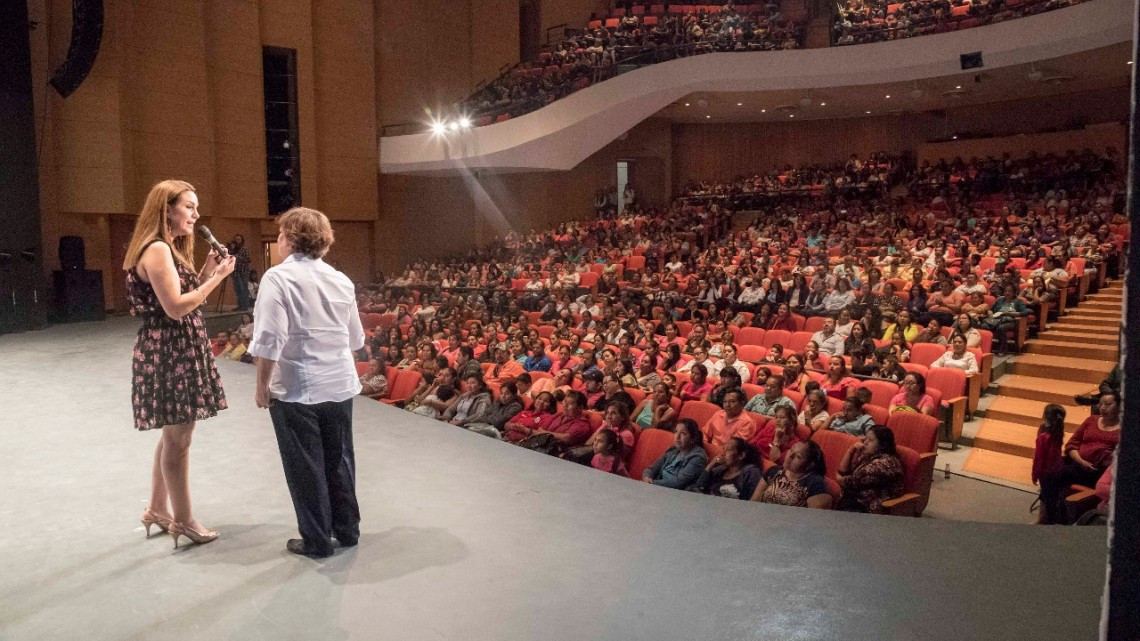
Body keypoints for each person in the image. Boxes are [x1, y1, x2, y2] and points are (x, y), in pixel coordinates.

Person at [125, 179, 235, 547]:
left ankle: (158, 508)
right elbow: (175, 308)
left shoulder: (165, 247)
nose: (196, 215)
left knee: (171, 435)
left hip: (175, 348)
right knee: (180, 440)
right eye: (189, 206)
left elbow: (181, 296)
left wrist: (204, 271)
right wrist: (217, 279)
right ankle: (184, 520)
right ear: (167, 209)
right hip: (171, 351)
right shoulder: (157, 249)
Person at [250, 206, 363, 558]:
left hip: (297, 387)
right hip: (339, 383)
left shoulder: (277, 278)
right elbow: (355, 338)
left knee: (306, 466)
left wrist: (262, 386)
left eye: (281, 233)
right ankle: (347, 530)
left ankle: (317, 540)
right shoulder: (341, 279)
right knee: (339, 459)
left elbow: (270, 338)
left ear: (288, 239)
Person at [1039, 392, 1121, 524]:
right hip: (1078, 466)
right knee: (1049, 475)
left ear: (1119, 406)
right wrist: (1081, 461)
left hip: (1101, 473)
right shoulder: (1091, 420)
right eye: (1101, 404)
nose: (1103, 408)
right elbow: (1072, 445)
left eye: (1108, 404)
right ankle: (1046, 517)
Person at [836, 425, 904, 514]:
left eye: (871, 440)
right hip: (855, 501)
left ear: (882, 444)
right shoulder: (869, 455)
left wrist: (839, 478)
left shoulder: (881, 465)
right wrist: (851, 450)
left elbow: (844, 480)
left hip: (869, 510)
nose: (865, 442)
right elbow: (843, 472)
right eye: (866, 438)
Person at [750, 440, 833, 509]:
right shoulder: (774, 471)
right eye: (791, 450)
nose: (790, 456)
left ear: (810, 465)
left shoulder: (815, 483)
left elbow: (814, 519)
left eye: (798, 456)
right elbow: (754, 502)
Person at [641, 418, 708, 489]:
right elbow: (651, 469)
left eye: (683, 433)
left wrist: (652, 483)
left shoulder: (698, 458)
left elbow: (678, 483)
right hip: (656, 488)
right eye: (676, 432)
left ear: (693, 439)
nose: (677, 437)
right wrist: (646, 477)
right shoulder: (673, 450)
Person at [692, 437, 762, 500]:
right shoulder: (719, 470)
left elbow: (753, 501)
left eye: (728, 450)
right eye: (723, 449)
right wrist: (710, 466)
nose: (722, 454)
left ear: (741, 455)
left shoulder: (751, 472)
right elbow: (698, 488)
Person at [1031, 404, 1067, 524]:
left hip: (1046, 472)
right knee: (1051, 495)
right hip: (1057, 469)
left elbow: (1039, 458)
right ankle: (1048, 519)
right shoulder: (1058, 433)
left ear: (1045, 417)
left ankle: (1043, 520)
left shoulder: (1043, 437)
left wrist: (1034, 475)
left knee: (1046, 497)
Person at [227, 234, 253, 311]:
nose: (237, 241)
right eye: (236, 240)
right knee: (237, 290)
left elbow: (248, 259)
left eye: (239, 239)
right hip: (235, 272)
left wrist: (237, 257)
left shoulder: (245, 249)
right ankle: (240, 305)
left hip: (243, 272)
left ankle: (245, 306)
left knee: (243, 289)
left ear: (242, 240)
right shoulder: (234, 250)